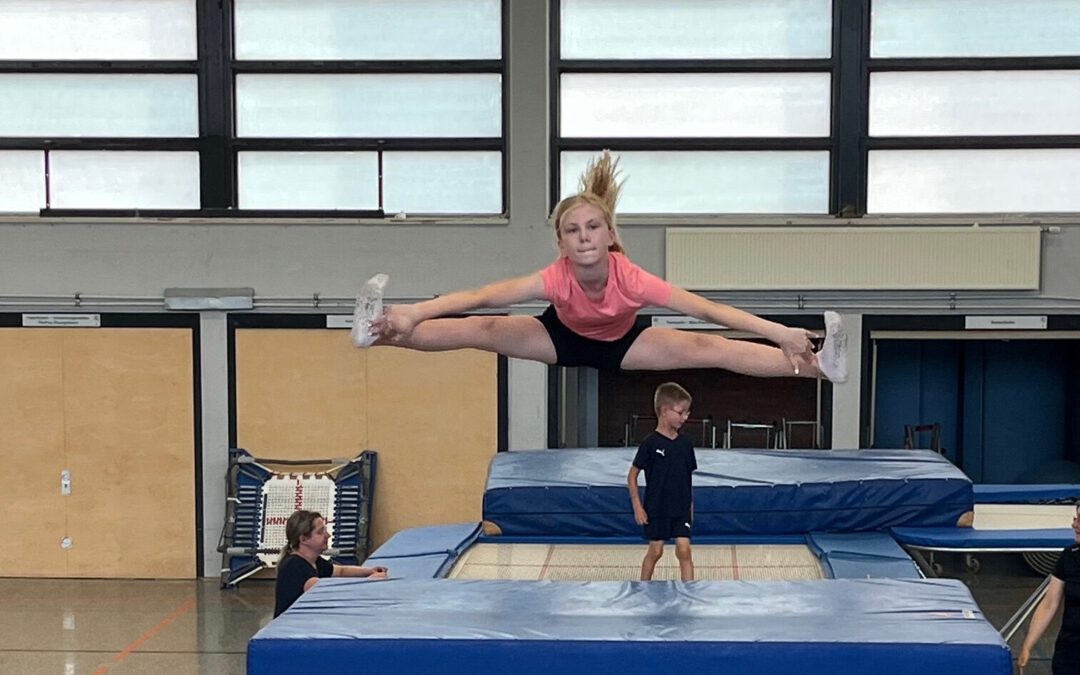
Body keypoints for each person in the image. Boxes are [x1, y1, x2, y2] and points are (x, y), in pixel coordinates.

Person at [352, 151, 847, 382]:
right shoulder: (554, 279)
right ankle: (380, 331)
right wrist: (415, 311)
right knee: (481, 327)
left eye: (593, 227)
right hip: (558, 338)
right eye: (573, 230)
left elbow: (709, 310)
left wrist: (777, 330)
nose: (584, 236)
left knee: (709, 346)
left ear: (610, 236)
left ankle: (821, 367)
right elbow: (481, 296)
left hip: (625, 345)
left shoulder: (631, 279)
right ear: (561, 243)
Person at [626, 382, 697, 581]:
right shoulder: (650, 444)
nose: (685, 418)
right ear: (665, 411)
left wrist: (690, 507)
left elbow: (687, 478)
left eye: (687, 413)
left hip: (680, 507)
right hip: (657, 508)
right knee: (655, 551)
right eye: (681, 412)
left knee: (684, 550)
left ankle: (689, 589)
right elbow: (632, 476)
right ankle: (643, 585)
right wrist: (637, 506)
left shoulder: (685, 444)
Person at [273, 509, 389, 618]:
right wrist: (368, 582)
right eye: (320, 532)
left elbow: (340, 571)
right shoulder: (294, 566)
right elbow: (327, 589)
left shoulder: (314, 560)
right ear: (303, 539)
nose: (328, 535)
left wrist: (369, 571)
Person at [1018, 505, 1080, 674]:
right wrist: (1028, 645)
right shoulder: (1069, 556)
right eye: (1075, 519)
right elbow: (1049, 603)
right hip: (1070, 652)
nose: (1074, 525)